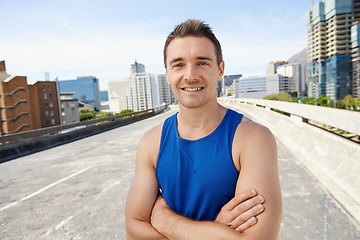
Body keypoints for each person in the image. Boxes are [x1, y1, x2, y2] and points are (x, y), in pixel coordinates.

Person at [125, 19, 282, 239]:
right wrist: (214, 231)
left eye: (202, 63)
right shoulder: (152, 141)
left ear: (220, 70)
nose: (190, 75)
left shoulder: (252, 139)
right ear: (168, 74)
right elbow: (134, 228)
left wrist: (167, 221)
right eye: (178, 64)